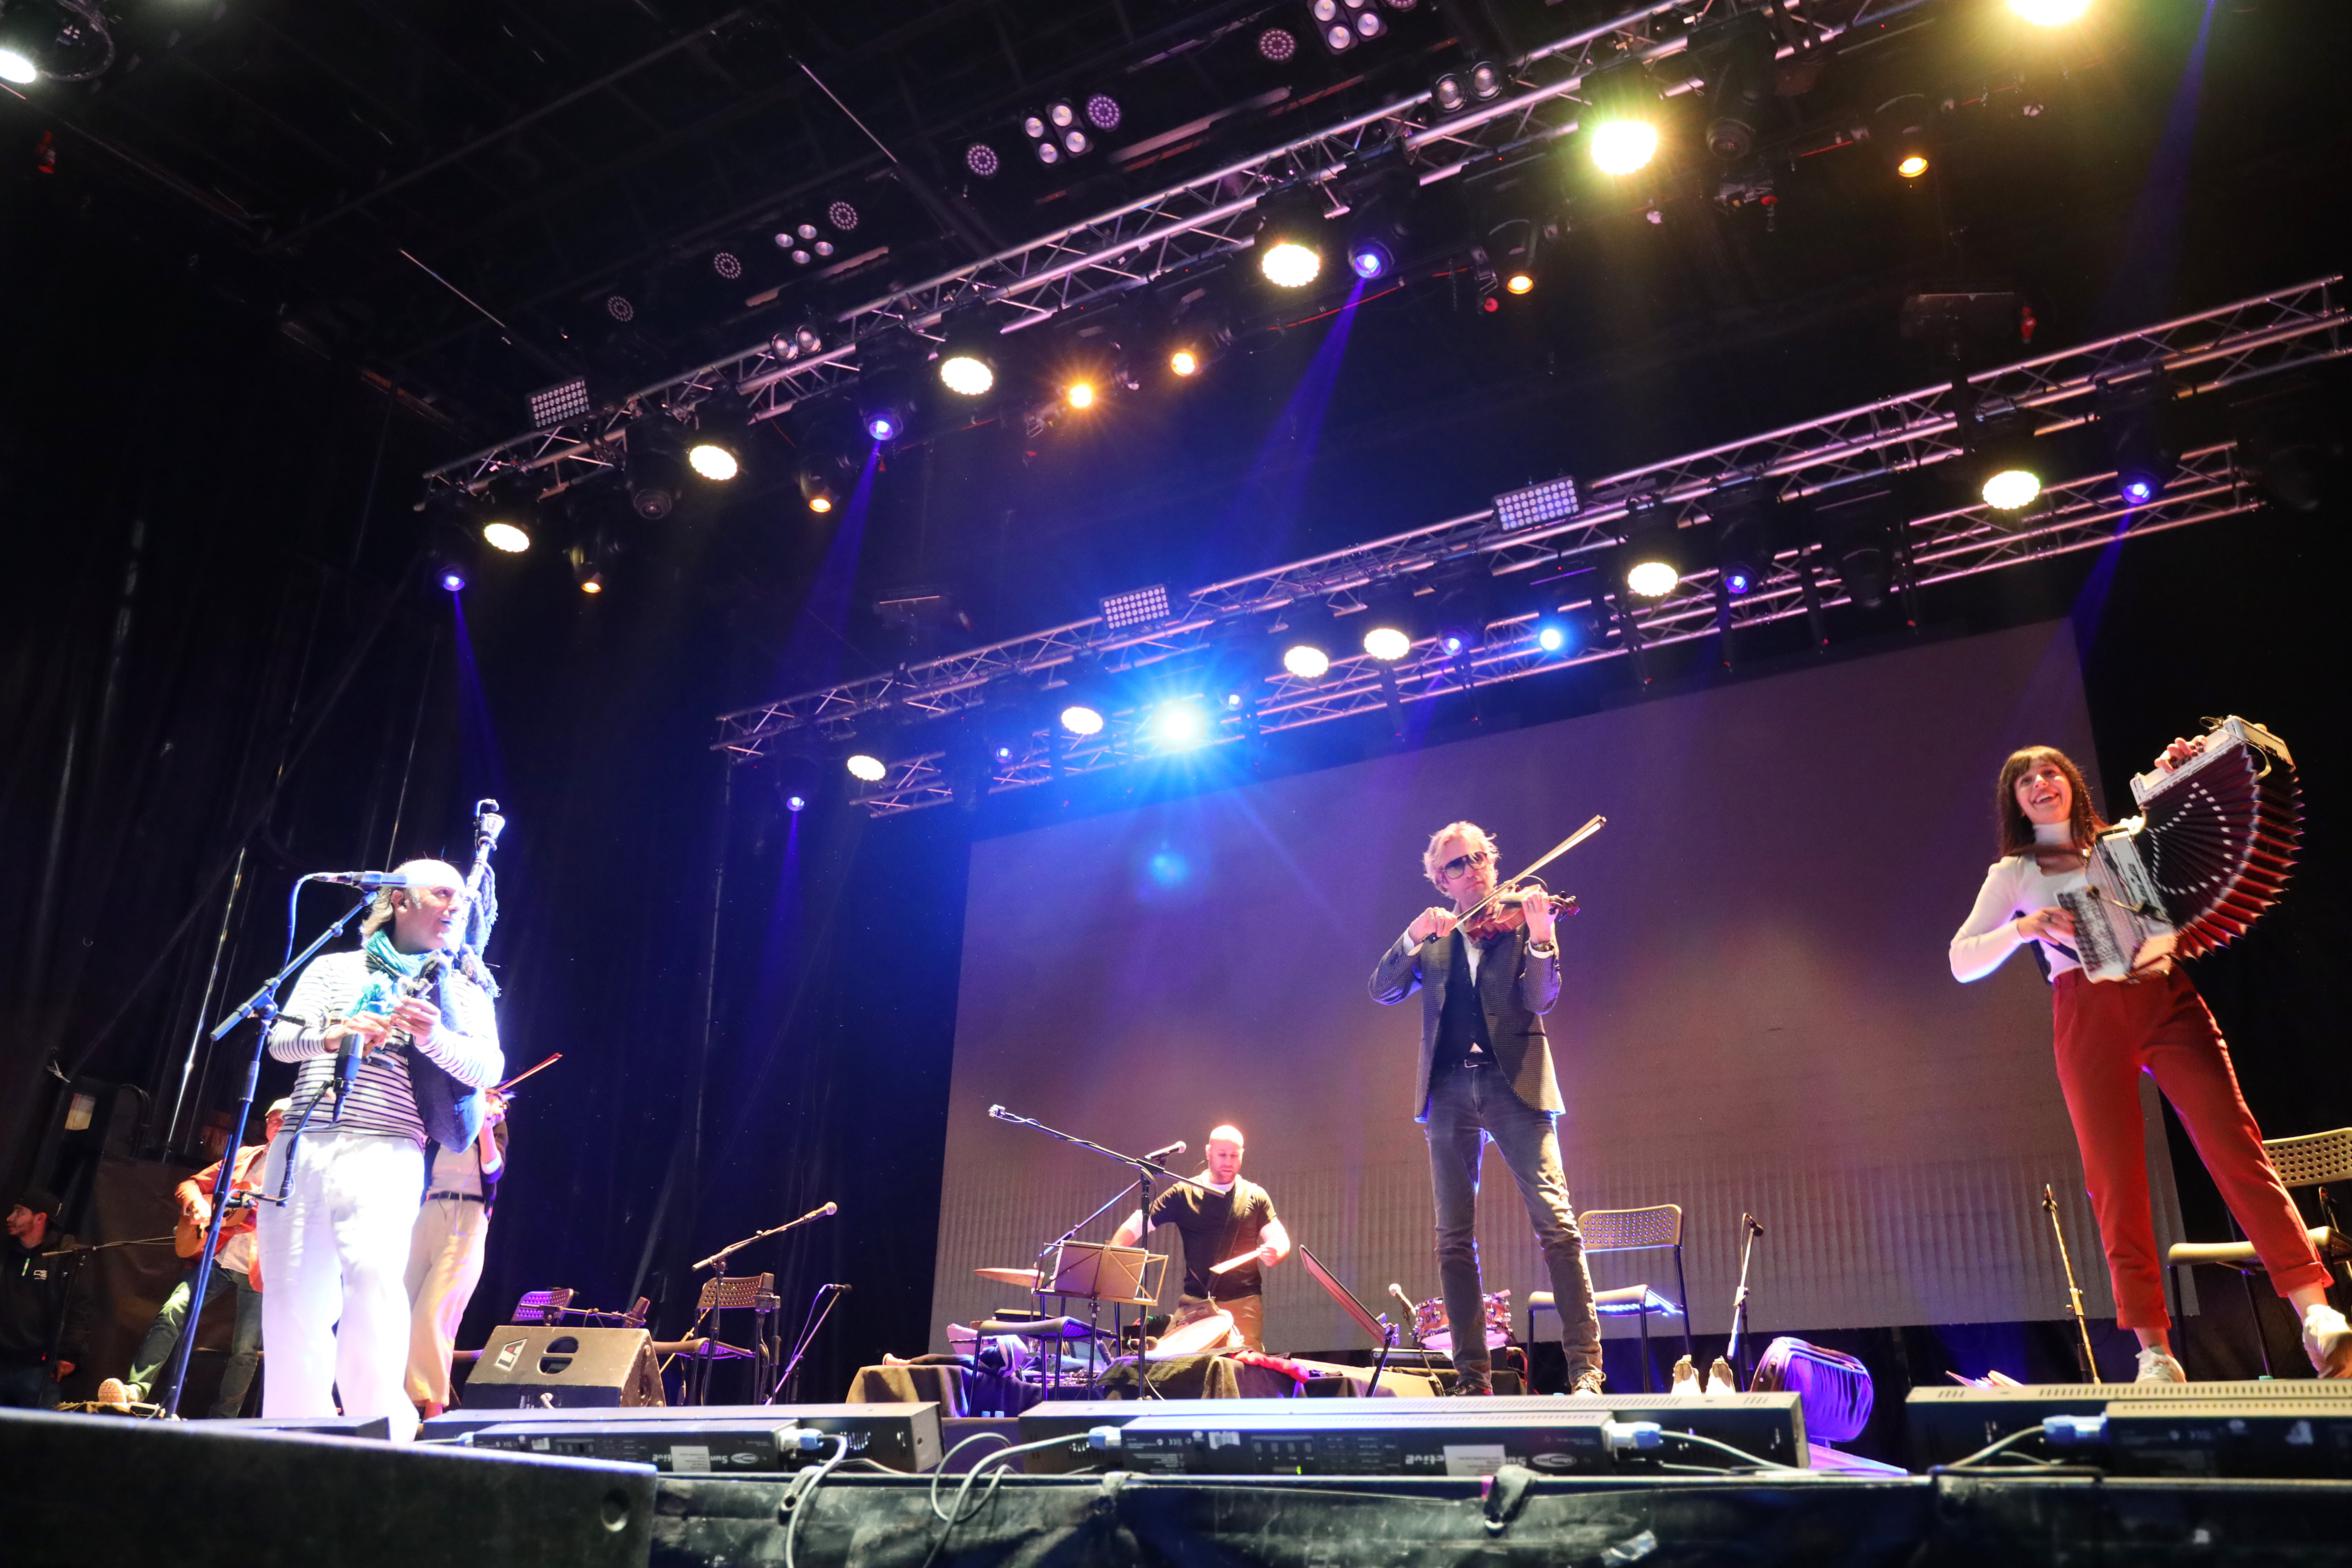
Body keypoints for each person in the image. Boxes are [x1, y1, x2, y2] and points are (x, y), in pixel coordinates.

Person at [1950, 742, 2352, 1383]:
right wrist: (2023, 929)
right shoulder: (2014, 873)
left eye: (2050, 770)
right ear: (2016, 803)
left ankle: (2314, 1311)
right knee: (2115, 1182)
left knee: (2235, 1146)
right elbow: (1961, 958)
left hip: (2163, 994)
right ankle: (2154, 1351)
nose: (2040, 782)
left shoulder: (2129, 838)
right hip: (2085, 1007)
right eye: (2024, 780)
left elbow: (2187, 805)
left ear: (2072, 782)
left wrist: (2184, 769)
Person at [258, 859, 503, 1441]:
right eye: (442, 893)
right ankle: (293, 1442)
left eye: (463, 901)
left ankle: (379, 1436)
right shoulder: (333, 967)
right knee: (294, 1304)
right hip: (303, 1144)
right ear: (398, 899)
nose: (456, 907)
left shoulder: (461, 989)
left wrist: (432, 1035)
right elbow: (279, 1042)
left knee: (373, 1286)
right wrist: (333, 1034)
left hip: (388, 1149)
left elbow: (488, 1065)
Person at [1369, 821, 1604, 1397]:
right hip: (1448, 1089)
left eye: (1479, 858)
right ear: (1438, 878)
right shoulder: (1436, 937)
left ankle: (1586, 1371)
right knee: (1453, 1239)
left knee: (1557, 1225)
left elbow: (1540, 997)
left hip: (1514, 1083)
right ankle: (1472, 1378)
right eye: (1457, 864)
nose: (1473, 868)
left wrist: (1544, 936)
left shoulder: (1523, 919)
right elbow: (1382, 988)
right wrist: (1410, 935)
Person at [96, 1098, 288, 1414]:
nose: (277, 1124)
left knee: (244, 1349)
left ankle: (221, 1421)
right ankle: (135, 1389)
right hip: (219, 1258)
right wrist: (197, 1205)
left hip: (260, 1268)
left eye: (285, 1119)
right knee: (172, 1311)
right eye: (272, 1118)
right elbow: (190, 1185)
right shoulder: (244, 1157)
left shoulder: (300, 1166)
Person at [1110, 1125, 1291, 1352]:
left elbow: (1279, 1238)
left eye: (1234, 1155)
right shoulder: (1183, 1192)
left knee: (1243, 1368)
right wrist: (1114, 1254)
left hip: (1243, 1301)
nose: (1228, 1161)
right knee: (1180, 1366)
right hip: (1196, 1303)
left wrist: (1277, 1251)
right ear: (1208, 1152)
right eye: (1222, 1154)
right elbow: (1138, 1223)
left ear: (1242, 1155)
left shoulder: (1254, 1195)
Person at [405, 1086, 509, 1417]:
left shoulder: (492, 1127)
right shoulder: (442, 1126)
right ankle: (392, 1398)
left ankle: (431, 1408)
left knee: (433, 1313)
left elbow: (493, 1169)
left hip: (467, 1218)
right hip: (429, 1211)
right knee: (400, 1307)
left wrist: (485, 1127)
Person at [1, 1187, 88, 1408]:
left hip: (37, 1369)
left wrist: (69, 1353)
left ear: (40, 1218)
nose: (10, 1218)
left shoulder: (64, 1257)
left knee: (31, 1436)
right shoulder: (5, 1251)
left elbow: (77, 1308)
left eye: (20, 1212)